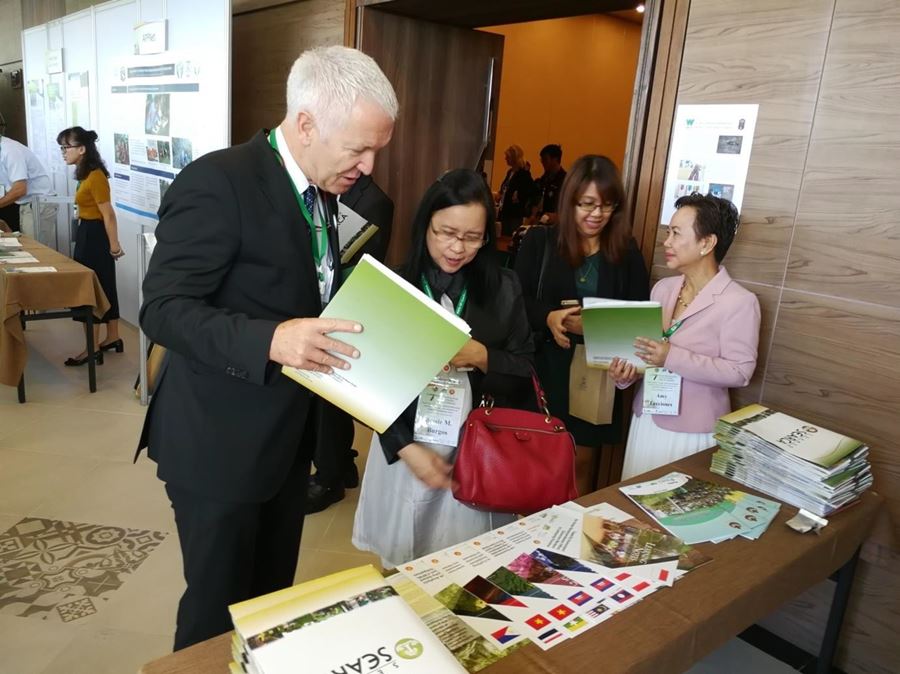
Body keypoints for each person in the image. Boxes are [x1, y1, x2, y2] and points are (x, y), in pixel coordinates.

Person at [136, 45, 398, 650]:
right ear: (306, 123)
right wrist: (273, 339)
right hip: (218, 445)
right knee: (213, 614)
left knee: (266, 604)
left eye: (377, 149)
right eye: (357, 147)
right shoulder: (217, 182)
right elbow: (165, 309)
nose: (368, 164)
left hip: (284, 441)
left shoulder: (323, 193)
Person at [353, 168, 534, 568]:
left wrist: (482, 356)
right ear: (425, 227)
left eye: (472, 237)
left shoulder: (503, 287)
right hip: (407, 447)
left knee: (470, 562)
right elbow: (364, 383)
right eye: (445, 233)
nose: (457, 248)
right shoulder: (396, 287)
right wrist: (404, 446)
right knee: (404, 560)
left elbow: (526, 368)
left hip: (477, 449)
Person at [515, 155, 648, 494]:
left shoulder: (626, 253)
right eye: (586, 204)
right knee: (538, 458)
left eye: (606, 206)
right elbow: (516, 301)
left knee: (582, 462)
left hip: (597, 370)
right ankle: (529, 534)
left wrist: (616, 348)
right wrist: (548, 316)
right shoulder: (540, 242)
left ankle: (570, 531)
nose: (596, 215)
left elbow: (638, 321)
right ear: (569, 200)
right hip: (547, 366)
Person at [609, 193, 760, 479]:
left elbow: (739, 371)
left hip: (691, 431)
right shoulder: (663, 289)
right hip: (646, 421)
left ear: (707, 243)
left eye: (676, 234)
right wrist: (627, 374)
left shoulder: (739, 301)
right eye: (668, 232)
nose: (667, 242)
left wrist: (671, 356)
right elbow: (648, 353)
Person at [305, 174, 395, 514]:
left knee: (329, 396)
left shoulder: (376, 201)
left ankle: (329, 478)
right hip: (312, 306)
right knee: (324, 397)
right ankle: (343, 464)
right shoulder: (315, 190)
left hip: (344, 306)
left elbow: (364, 263)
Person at [57, 126, 124, 366]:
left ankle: (91, 347)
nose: (63, 152)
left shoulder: (95, 176)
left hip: (94, 235)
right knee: (104, 284)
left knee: (90, 288)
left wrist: (114, 245)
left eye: (67, 147)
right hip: (89, 231)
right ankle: (113, 337)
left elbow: (108, 214)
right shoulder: (87, 173)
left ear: (82, 149)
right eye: (62, 148)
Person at [0, 132, 53, 238]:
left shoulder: (10, 150)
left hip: (38, 203)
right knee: (24, 245)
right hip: (25, 204)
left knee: (34, 248)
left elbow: (20, 189)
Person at [496, 144, 535, 236]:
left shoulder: (523, 174)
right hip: (505, 211)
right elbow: (505, 187)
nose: (505, 158)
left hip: (515, 213)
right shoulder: (510, 172)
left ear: (514, 157)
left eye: (508, 157)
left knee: (511, 235)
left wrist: (519, 196)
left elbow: (531, 191)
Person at [533, 143, 567, 225]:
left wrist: (557, 216)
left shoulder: (565, 180)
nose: (543, 163)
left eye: (545, 159)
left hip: (556, 225)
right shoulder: (544, 178)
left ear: (555, 159)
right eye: (541, 160)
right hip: (541, 223)